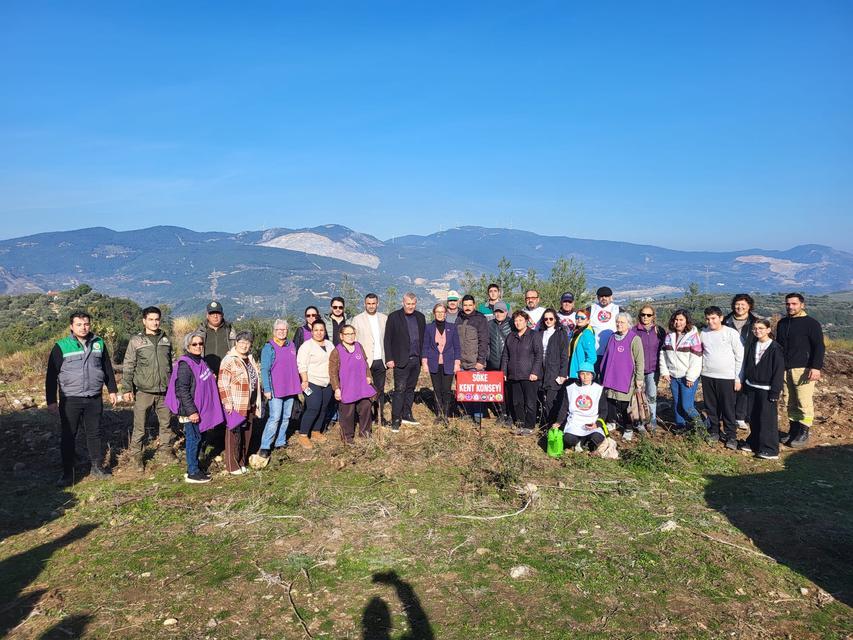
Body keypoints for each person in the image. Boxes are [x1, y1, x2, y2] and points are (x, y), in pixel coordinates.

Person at [45, 311, 119, 486]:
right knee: (69, 435)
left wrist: (113, 390)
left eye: (86, 324)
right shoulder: (61, 346)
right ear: (71, 326)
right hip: (70, 399)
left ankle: (97, 467)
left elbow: (107, 367)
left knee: (95, 434)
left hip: (94, 397)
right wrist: (51, 401)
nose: (83, 327)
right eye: (79, 324)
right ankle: (68, 473)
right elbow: (51, 376)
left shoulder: (99, 343)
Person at [166, 330, 224, 483]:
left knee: (199, 437)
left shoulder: (200, 361)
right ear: (188, 346)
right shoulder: (185, 364)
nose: (198, 346)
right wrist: (192, 411)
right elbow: (182, 390)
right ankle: (192, 472)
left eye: (200, 343)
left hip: (199, 408)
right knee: (193, 439)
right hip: (190, 410)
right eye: (194, 344)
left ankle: (195, 467)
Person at [121, 305, 173, 467]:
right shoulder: (136, 341)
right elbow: (129, 365)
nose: (154, 323)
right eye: (151, 319)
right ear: (144, 321)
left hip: (164, 390)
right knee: (140, 426)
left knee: (166, 424)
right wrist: (127, 388)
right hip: (144, 391)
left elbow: (170, 364)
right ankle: (136, 456)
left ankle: (165, 450)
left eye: (157, 319)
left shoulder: (166, 340)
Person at [776, 292, 825, 448]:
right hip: (785, 368)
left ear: (802, 305)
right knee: (789, 400)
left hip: (803, 368)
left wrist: (815, 367)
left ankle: (804, 432)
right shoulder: (782, 323)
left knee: (803, 400)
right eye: (788, 304)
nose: (790, 307)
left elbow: (819, 346)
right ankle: (794, 430)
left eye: (794, 304)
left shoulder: (811, 323)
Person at [217, 331, 262, 475]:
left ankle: (242, 461)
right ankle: (232, 465)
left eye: (247, 343)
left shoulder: (249, 358)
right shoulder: (229, 360)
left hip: (250, 403)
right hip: (236, 403)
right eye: (241, 342)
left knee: (246, 433)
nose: (244, 345)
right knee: (234, 434)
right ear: (236, 343)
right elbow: (223, 383)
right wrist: (227, 402)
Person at [739, 318, 785, 459]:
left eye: (761, 328)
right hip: (752, 386)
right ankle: (754, 442)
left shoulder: (775, 348)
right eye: (755, 329)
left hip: (767, 388)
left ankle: (770, 449)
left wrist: (775, 391)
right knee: (753, 417)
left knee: (767, 419)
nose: (757, 331)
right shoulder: (753, 345)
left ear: (768, 330)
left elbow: (778, 371)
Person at [700, 306, 745, 450]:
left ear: (720, 318)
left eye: (713, 318)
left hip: (727, 377)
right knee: (711, 407)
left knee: (728, 408)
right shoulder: (704, 333)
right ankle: (714, 431)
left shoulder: (731, 333)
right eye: (707, 319)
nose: (710, 321)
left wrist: (738, 378)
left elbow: (740, 356)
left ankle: (731, 435)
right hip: (708, 375)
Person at [258, 319, 302, 461]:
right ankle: (265, 446)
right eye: (279, 330)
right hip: (276, 389)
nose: (282, 332)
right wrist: (267, 389)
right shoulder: (269, 348)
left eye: (284, 330)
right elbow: (265, 370)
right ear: (274, 331)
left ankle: (280, 442)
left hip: (290, 388)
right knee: (275, 418)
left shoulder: (291, 345)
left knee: (286, 417)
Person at [383, 293, 426, 432]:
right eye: (408, 303)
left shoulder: (420, 317)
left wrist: (423, 359)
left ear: (416, 303)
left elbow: (424, 339)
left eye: (413, 304)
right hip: (401, 360)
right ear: (403, 302)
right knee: (399, 390)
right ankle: (396, 419)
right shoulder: (394, 317)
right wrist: (389, 358)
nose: (410, 306)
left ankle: (407, 414)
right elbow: (387, 339)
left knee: (410, 389)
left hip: (416, 360)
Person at [600, 312, 644, 441]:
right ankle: (611, 422)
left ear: (629, 324)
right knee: (610, 401)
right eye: (617, 322)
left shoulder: (634, 339)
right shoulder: (613, 337)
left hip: (626, 378)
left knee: (625, 405)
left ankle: (628, 427)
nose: (619, 324)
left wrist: (639, 379)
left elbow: (639, 361)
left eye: (622, 322)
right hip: (611, 376)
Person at [329, 324, 377, 443]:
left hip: (361, 385)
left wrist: (368, 376)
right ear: (341, 336)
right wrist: (336, 388)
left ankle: (365, 434)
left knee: (366, 407)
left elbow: (365, 364)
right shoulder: (336, 351)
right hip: (346, 387)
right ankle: (347, 437)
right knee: (347, 413)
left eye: (352, 334)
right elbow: (333, 372)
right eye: (347, 334)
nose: (350, 336)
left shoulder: (359, 346)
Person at [659, 309, 704, 432]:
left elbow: (696, 358)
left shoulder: (693, 337)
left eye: (681, 320)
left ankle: (702, 426)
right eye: (676, 320)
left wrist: (691, 377)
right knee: (677, 403)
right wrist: (665, 372)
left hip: (687, 377)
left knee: (687, 405)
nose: (678, 322)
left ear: (686, 321)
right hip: (674, 376)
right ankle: (681, 426)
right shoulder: (669, 336)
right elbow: (663, 354)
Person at [501, 310, 543, 435]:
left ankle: (529, 426)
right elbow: (505, 356)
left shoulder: (534, 335)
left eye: (520, 320)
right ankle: (520, 423)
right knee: (516, 401)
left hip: (529, 375)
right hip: (514, 375)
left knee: (530, 401)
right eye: (516, 320)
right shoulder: (511, 336)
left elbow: (538, 355)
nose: (518, 323)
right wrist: (503, 371)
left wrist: (535, 371)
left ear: (526, 321)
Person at [351, 293, 388, 425]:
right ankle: (364, 418)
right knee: (363, 390)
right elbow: (353, 341)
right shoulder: (357, 319)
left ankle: (379, 416)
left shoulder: (384, 318)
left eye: (373, 303)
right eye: (369, 303)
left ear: (377, 304)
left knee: (380, 390)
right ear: (365, 304)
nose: (371, 306)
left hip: (381, 360)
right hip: (364, 361)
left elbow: (388, 340)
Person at [296, 321, 335, 448]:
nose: (319, 332)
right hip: (312, 381)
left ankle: (316, 431)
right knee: (313, 407)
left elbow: (335, 362)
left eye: (321, 330)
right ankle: (303, 435)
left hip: (327, 381)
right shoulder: (306, 346)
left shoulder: (330, 345)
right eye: (316, 330)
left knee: (324, 407)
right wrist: (305, 381)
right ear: (312, 332)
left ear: (325, 331)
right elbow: (302, 365)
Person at [421, 303, 461, 424]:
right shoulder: (428, 328)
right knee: (437, 390)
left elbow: (457, 347)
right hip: (434, 363)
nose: (440, 314)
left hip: (449, 363)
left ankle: (446, 414)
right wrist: (425, 362)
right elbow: (425, 346)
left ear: (445, 313)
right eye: (437, 312)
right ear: (434, 313)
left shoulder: (452, 327)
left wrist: (457, 363)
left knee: (446, 390)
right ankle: (439, 414)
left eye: (442, 312)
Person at [724, 294, 758, 429]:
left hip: (748, 358)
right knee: (728, 386)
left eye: (743, 304)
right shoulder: (725, 321)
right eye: (737, 304)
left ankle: (740, 416)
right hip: (727, 358)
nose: (740, 307)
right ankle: (728, 413)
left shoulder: (754, 322)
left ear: (749, 306)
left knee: (744, 387)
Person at [456, 295, 490, 425]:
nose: (467, 307)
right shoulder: (459, 318)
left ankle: (477, 415)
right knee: (465, 390)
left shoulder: (480, 319)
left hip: (475, 362)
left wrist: (481, 361)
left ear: (474, 305)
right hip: (461, 361)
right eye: (465, 305)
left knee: (476, 390)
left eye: (470, 305)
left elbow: (484, 341)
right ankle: (467, 413)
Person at [563, 363, 610, 453]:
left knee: (596, 438)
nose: (585, 377)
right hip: (575, 422)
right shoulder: (571, 388)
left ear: (592, 375)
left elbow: (603, 411)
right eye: (582, 374)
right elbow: (564, 408)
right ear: (579, 375)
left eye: (588, 374)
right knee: (568, 439)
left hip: (592, 422)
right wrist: (558, 422)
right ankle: (579, 442)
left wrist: (597, 424)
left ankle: (584, 442)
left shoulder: (598, 389)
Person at [634, 305, 665, 432]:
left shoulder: (659, 331)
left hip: (653, 369)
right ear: (639, 315)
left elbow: (665, 349)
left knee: (651, 396)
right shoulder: (633, 331)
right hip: (638, 371)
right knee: (638, 397)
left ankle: (651, 421)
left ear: (653, 316)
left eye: (648, 315)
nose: (645, 317)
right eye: (643, 314)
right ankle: (639, 421)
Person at [538, 309, 569, 428]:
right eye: (545, 319)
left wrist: (562, 374)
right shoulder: (540, 333)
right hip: (542, 370)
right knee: (543, 399)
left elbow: (564, 355)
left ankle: (555, 425)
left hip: (555, 371)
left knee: (552, 400)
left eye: (551, 318)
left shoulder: (561, 334)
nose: (548, 321)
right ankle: (546, 423)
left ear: (555, 319)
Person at [487, 302, 513, 425]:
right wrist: (487, 357)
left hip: (508, 364)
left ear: (506, 312)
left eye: (501, 311)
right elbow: (486, 343)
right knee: (498, 391)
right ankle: (502, 413)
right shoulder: (489, 325)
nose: (499, 314)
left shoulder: (512, 324)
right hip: (493, 363)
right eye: (497, 311)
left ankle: (510, 415)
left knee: (509, 391)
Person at [198, 300, 236, 374]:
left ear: (222, 315)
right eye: (212, 313)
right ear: (207, 315)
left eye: (218, 313)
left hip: (227, 373)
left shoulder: (230, 331)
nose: (215, 316)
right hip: (205, 373)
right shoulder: (200, 332)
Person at [590, 287, 619, 362]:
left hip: (612, 351)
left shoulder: (617, 309)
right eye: (601, 296)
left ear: (611, 297)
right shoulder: (591, 309)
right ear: (597, 297)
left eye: (606, 296)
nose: (604, 298)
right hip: (594, 351)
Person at [568, 309, 597, 381]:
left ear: (588, 320)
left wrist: (584, 372)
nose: (579, 319)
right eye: (577, 317)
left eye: (582, 318)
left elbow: (592, 357)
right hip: (573, 369)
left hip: (579, 372)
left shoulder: (587, 334)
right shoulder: (576, 331)